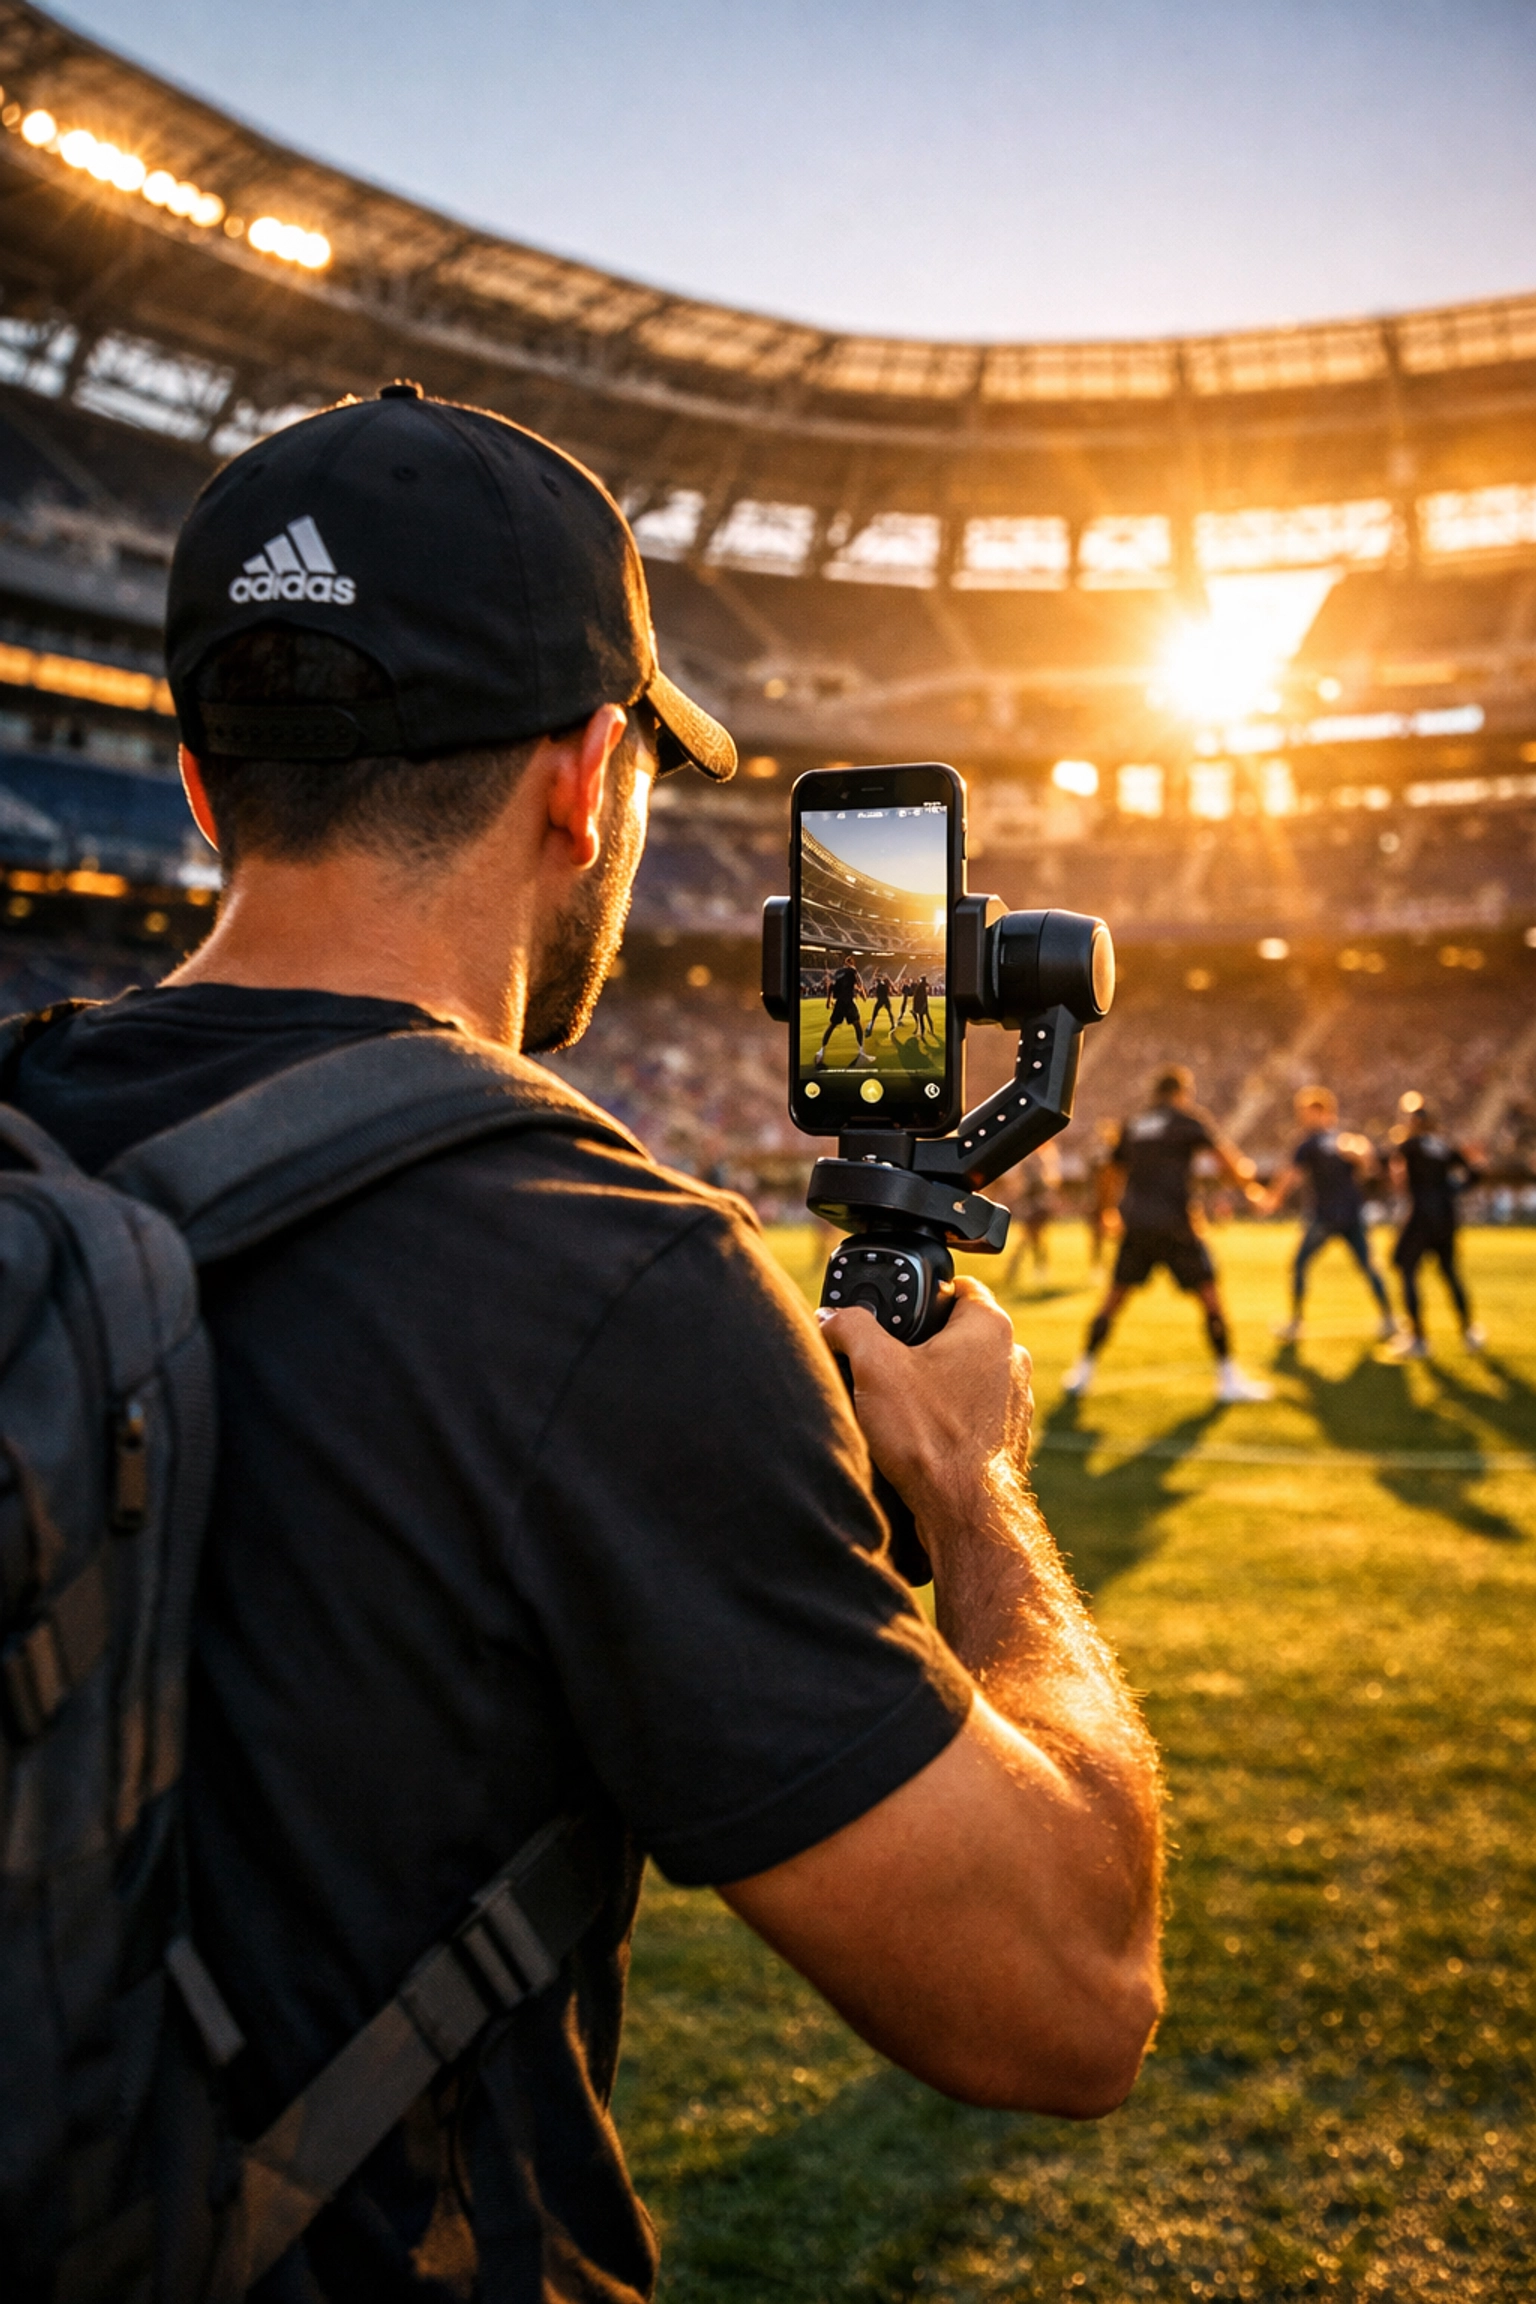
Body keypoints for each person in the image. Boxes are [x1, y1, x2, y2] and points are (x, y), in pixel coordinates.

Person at [4, 387, 1162, 2302]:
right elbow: (1065, 1998)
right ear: (587, 779)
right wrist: (972, 1484)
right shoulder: (607, 1276)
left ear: (204, 786)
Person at [1063, 1066, 1270, 1405]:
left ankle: (1081, 1372)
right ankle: (1228, 1378)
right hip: (1176, 1223)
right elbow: (1227, 1161)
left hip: (1137, 1224)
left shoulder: (1134, 1124)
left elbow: (1109, 1170)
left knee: (1113, 1299)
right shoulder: (1187, 1120)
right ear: (1181, 1092)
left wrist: (1106, 1211)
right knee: (1209, 1296)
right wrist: (1249, 1187)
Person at [1264, 1086, 1396, 1343]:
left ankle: (1295, 1323)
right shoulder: (1340, 1139)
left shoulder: (1315, 1142)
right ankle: (1389, 1319)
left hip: (1328, 1216)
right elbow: (1368, 1164)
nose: (1302, 1117)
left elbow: (1290, 1176)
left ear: (1322, 1112)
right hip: (1349, 1214)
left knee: (1302, 1264)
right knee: (1367, 1266)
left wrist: (1271, 1200)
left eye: (1306, 1112)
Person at [1388, 1091, 1485, 1358]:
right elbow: (1475, 1173)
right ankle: (1469, 1332)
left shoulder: (1409, 1145)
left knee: (1406, 1268)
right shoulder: (1444, 1146)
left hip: (1421, 1215)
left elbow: (1398, 1179)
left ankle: (1418, 1339)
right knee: (1450, 1271)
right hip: (1446, 1215)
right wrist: (1451, 1189)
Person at [814, 959, 871, 1067]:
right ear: (852, 963)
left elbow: (832, 986)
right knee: (857, 1026)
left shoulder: (838, 972)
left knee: (831, 1026)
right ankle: (861, 1051)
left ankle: (821, 1051)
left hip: (839, 1002)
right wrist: (863, 994)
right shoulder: (853, 970)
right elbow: (860, 983)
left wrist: (829, 1000)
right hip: (848, 1002)